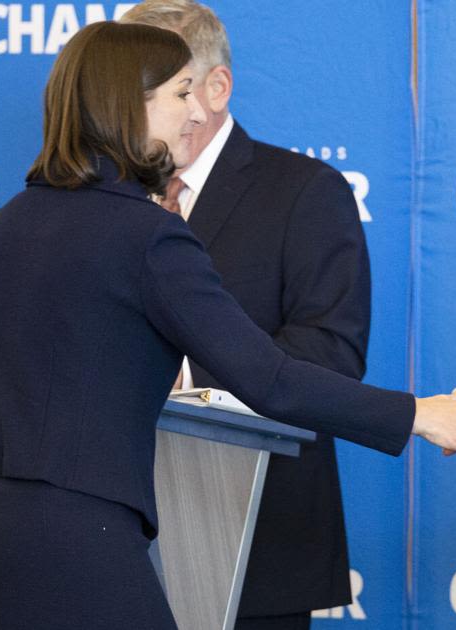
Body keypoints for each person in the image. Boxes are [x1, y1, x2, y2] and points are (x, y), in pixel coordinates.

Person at [0, 22, 456, 630]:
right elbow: (268, 379)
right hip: (78, 539)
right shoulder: (147, 235)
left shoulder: (9, 221)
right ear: (130, 105)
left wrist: (22, 466)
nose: (195, 113)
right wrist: (419, 414)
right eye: (180, 93)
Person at [117, 3, 371, 626]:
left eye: (154, 86)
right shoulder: (104, 196)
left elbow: (332, 353)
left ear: (215, 88)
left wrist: (175, 380)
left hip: (256, 538)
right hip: (112, 532)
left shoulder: (305, 191)